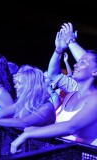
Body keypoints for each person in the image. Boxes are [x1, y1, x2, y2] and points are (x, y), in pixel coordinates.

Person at [10, 22, 97, 154]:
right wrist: (58, 50)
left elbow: (70, 126)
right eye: (77, 62)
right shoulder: (70, 94)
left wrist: (28, 134)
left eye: (83, 62)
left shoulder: (95, 99)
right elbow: (53, 75)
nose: (76, 65)